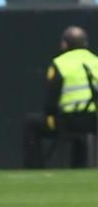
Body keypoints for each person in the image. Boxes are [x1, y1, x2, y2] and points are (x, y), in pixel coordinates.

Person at [24, 26, 98, 168]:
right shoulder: (96, 61)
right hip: (94, 121)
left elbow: (51, 103)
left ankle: (35, 170)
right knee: (80, 137)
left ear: (64, 44)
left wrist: (50, 114)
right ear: (85, 43)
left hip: (67, 121)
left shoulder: (60, 63)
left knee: (31, 124)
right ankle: (79, 169)